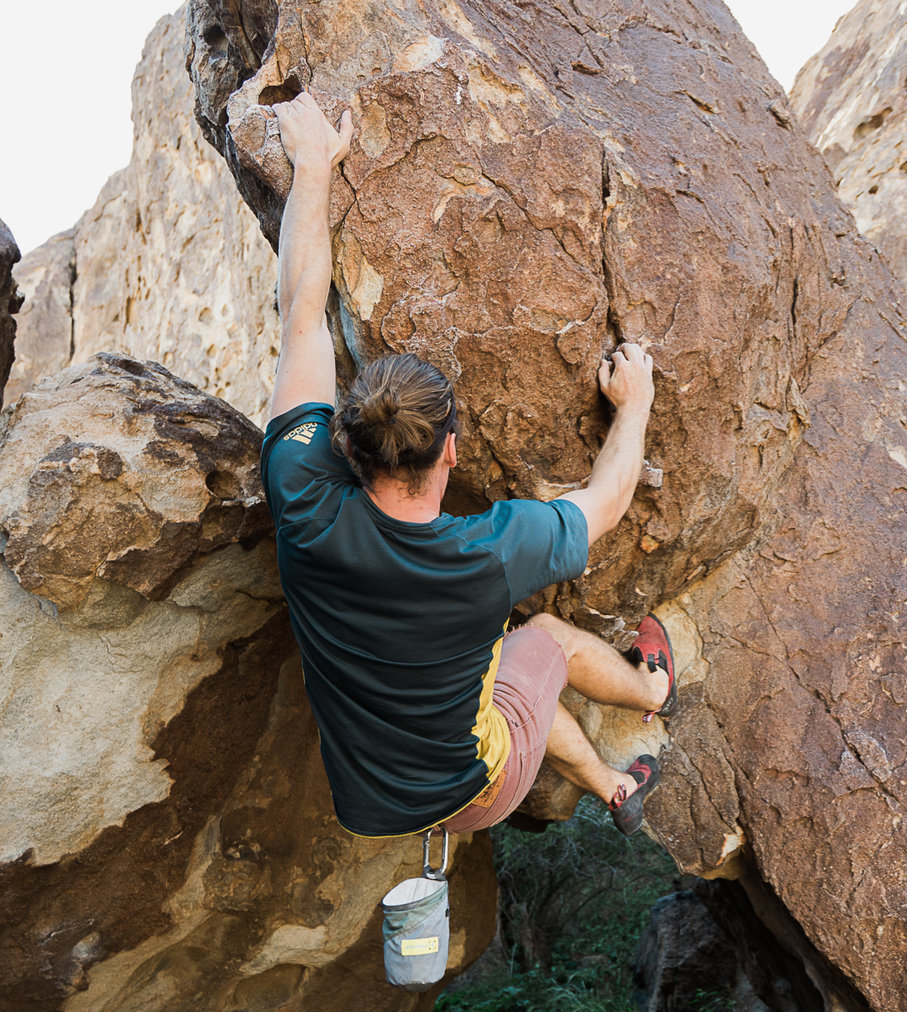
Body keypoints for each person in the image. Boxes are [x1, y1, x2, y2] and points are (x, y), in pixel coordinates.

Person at [260, 89, 673, 844]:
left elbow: (301, 314)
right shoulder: (487, 554)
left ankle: (614, 785)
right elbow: (607, 502)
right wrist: (636, 400)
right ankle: (651, 689)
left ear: (344, 444)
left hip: (368, 801)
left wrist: (312, 165)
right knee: (544, 639)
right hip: (479, 785)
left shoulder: (301, 490)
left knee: (500, 682)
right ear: (451, 450)